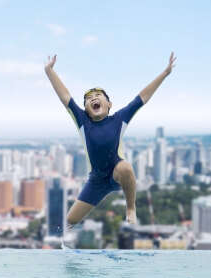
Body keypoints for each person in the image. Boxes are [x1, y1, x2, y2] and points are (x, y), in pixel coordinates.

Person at [45, 52, 176, 226]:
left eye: (98, 96)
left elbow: (142, 97)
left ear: (109, 105)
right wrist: (49, 71)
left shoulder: (119, 119)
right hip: (96, 181)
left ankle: (130, 208)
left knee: (126, 168)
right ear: (85, 109)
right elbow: (65, 96)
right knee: (70, 220)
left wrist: (165, 73)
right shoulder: (83, 121)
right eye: (89, 99)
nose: (93, 99)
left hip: (117, 173)